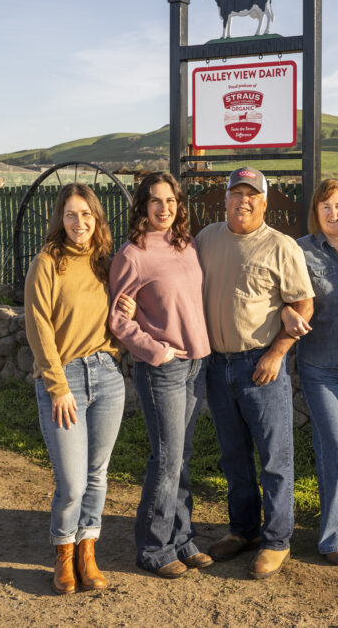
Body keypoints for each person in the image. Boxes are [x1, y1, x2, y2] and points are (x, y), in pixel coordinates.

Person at [196, 166, 314, 579]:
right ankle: (243, 530)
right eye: (236, 194)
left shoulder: (281, 246)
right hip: (216, 364)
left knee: (274, 458)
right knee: (233, 457)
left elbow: (303, 305)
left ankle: (277, 540)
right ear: (224, 199)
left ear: (264, 202)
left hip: (259, 365)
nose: (242, 201)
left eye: (252, 195)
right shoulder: (206, 239)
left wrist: (277, 352)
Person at [109, 172, 212, 579]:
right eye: (155, 201)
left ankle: (182, 538)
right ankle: (153, 547)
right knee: (167, 458)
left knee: (182, 455)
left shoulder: (185, 246)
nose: (164, 208)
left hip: (196, 364)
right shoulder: (132, 254)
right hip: (163, 370)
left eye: (170, 201)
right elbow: (119, 318)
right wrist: (156, 350)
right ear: (142, 206)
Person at [24, 183, 124, 594]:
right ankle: (64, 552)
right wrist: (57, 385)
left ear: (96, 217)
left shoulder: (106, 262)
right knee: (72, 482)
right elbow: (38, 325)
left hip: (106, 376)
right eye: (70, 214)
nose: (79, 222)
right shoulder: (47, 262)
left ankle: (88, 551)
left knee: (98, 475)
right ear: (59, 219)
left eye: (86, 214)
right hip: (63, 382)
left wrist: (120, 329)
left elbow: (121, 310)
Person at [281, 179, 338, 566]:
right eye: (325, 207)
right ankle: (336, 537)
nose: (333, 214)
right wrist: (287, 311)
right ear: (316, 212)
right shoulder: (301, 252)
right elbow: (281, 294)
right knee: (334, 448)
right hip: (321, 366)